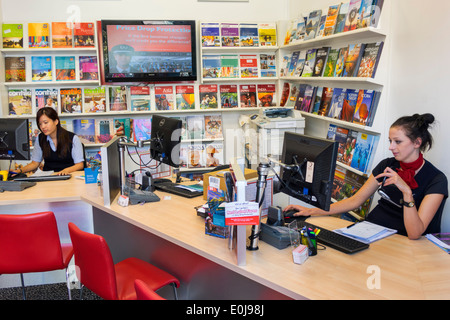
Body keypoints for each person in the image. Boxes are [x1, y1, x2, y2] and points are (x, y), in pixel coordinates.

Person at [284, 113, 448, 240]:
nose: (391, 147)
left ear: (417, 143)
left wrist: (406, 191)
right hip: (370, 233)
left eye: (397, 142)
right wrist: (313, 211)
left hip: (401, 241)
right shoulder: (387, 165)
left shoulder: (436, 179)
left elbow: (415, 233)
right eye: (390, 141)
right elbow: (356, 200)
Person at [11, 107, 85, 176]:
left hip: (69, 176)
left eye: (46, 122)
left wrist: (66, 170)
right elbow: (35, 163)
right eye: (40, 124)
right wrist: (19, 171)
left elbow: (79, 164)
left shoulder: (72, 138)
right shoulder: (40, 138)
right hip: (49, 177)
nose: (43, 127)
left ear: (56, 121)